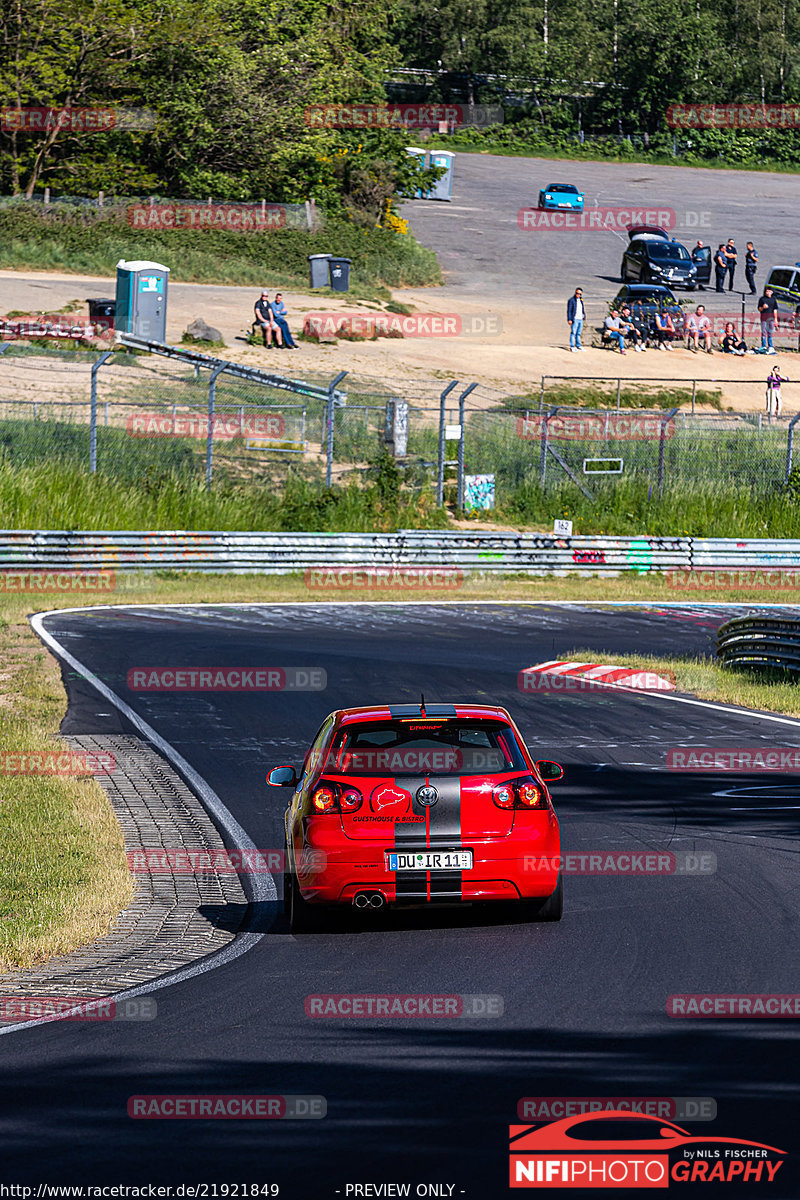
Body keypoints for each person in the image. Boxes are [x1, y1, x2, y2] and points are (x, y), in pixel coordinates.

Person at [758, 286, 779, 353]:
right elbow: (759, 309)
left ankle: (770, 346)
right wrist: (763, 307)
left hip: (771, 319)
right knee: (764, 332)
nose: (768, 292)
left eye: (769, 291)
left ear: (772, 292)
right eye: (767, 291)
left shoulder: (773, 300)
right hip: (764, 318)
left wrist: (776, 320)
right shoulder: (762, 299)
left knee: (770, 332)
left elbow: (775, 310)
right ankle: (763, 346)